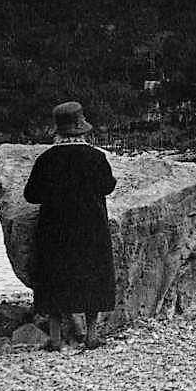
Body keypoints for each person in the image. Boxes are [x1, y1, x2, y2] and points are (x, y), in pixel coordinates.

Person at [24, 102, 117, 352]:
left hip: (55, 231)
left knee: (55, 279)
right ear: (81, 129)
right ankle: (92, 336)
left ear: (59, 130)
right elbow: (107, 186)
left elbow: (31, 195)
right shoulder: (96, 157)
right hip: (90, 228)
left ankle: (55, 338)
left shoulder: (46, 159)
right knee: (92, 278)